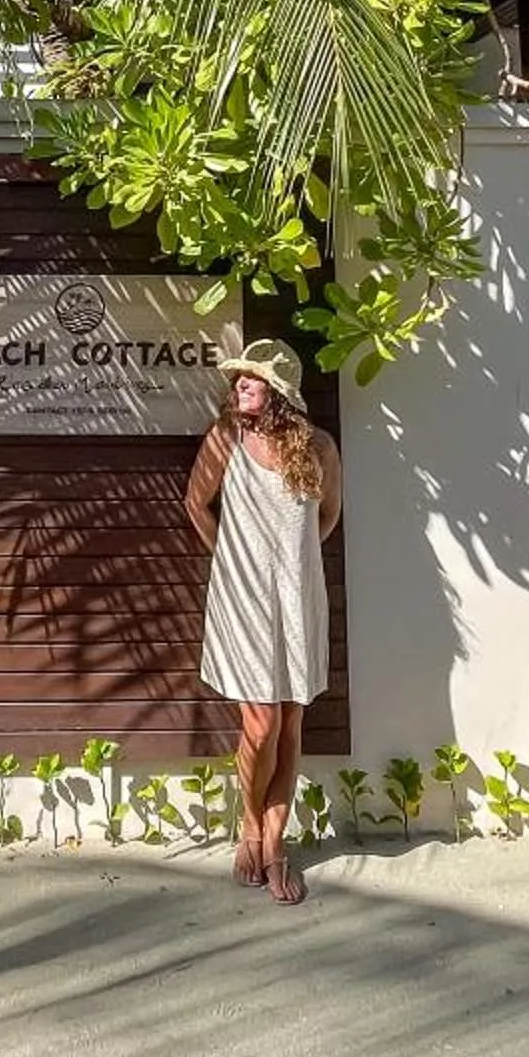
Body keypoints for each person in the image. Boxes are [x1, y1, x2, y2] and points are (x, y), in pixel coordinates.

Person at [184, 336, 341, 906]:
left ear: (278, 391)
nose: (240, 385)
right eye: (239, 378)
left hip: (299, 597)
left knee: (292, 721)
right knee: (262, 725)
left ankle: (274, 844)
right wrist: (230, 559)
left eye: (251, 378)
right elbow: (195, 506)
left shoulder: (318, 447)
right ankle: (250, 822)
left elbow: (326, 518)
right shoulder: (226, 438)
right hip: (242, 598)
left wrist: (291, 564)